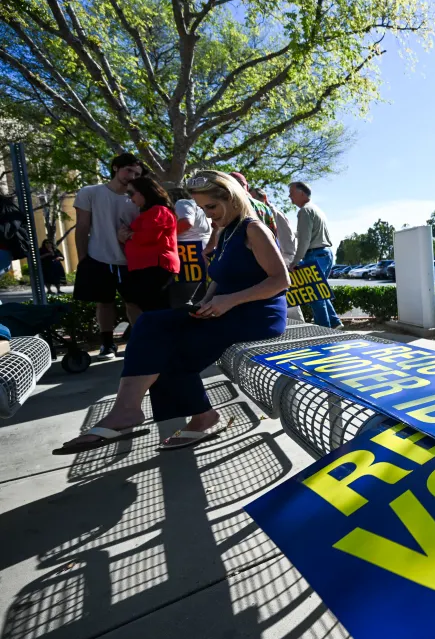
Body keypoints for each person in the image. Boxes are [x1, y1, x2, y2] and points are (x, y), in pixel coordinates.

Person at [54, 171, 289, 454]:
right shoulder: (226, 232)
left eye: (212, 207)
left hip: (257, 315)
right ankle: (131, 409)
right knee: (150, 324)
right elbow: (219, 279)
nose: (208, 214)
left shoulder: (254, 229)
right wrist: (205, 302)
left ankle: (192, 415)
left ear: (233, 199)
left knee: (168, 345)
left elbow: (280, 280)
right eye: (202, 208)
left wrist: (228, 301)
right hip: (224, 309)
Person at [73, 153, 143, 359]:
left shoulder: (138, 198)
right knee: (104, 303)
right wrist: (83, 259)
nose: (131, 176)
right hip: (98, 257)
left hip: (131, 259)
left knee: (134, 303)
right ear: (115, 168)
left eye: (136, 174)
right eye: (128, 170)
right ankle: (107, 344)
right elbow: (82, 227)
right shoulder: (90, 192)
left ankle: (140, 342)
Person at [118, 177, 180, 313]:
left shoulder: (159, 210)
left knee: (156, 309)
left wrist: (129, 235)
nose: (130, 198)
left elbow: (149, 236)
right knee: (148, 307)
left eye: (131, 193)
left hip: (155, 266)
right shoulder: (149, 212)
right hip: (145, 267)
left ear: (144, 192)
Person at [289, 181, 341, 329]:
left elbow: (304, 240)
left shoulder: (304, 211)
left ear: (301, 193)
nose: (289, 197)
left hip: (314, 255)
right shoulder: (316, 209)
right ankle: (335, 323)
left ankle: (324, 329)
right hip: (326, 254)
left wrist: (295, 261)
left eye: (291, 193)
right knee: (320, 292)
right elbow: (308, 233)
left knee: (314, 295)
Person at [250, 187, 303, 322]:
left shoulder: (274, 214)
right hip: (276, 260)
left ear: (264, 198)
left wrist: (286, 261)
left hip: (284, 259)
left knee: (291, 302)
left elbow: (286, 239)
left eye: (254, 198)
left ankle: (297, 325)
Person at [169, 186, 213, 306]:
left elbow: (186, 223)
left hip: (189, 255)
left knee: (183, 301)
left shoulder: (182, 203)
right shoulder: (200, 207)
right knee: (200, 298)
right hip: (201, 254)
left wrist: (162, 235)